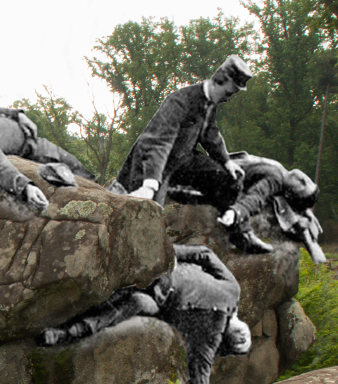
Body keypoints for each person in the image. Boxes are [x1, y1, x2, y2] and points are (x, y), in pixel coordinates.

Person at [37, 244, 251, 384]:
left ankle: (68, 332)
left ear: (226, 345)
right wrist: (171, 255)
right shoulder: (233, 290)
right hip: (161, 268)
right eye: (246, 339)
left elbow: (201, 374)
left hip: (154, 300)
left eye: (239, 346)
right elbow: (205, 254)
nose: (243, 339)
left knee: (135, 302)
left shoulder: (208, 338)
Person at [111, 56, 262, 250]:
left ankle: (239, 234)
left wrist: (226, 162)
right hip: (151, 162)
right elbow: (159, 143)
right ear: (219, 81)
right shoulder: (179, 101)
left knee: (227, 179)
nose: (227, 98)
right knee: (148, 218)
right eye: (228, 93)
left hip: (181, 160)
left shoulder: (210, 102)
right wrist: (150, 184)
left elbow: (209, 134)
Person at [217, 152, 324, 262]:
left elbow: (256, 196)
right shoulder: (281, 172)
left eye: (302, 185)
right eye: (309, 181)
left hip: (217, 173)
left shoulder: (276, 181)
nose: (304, 179)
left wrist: (238, 211)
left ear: (288, 194)